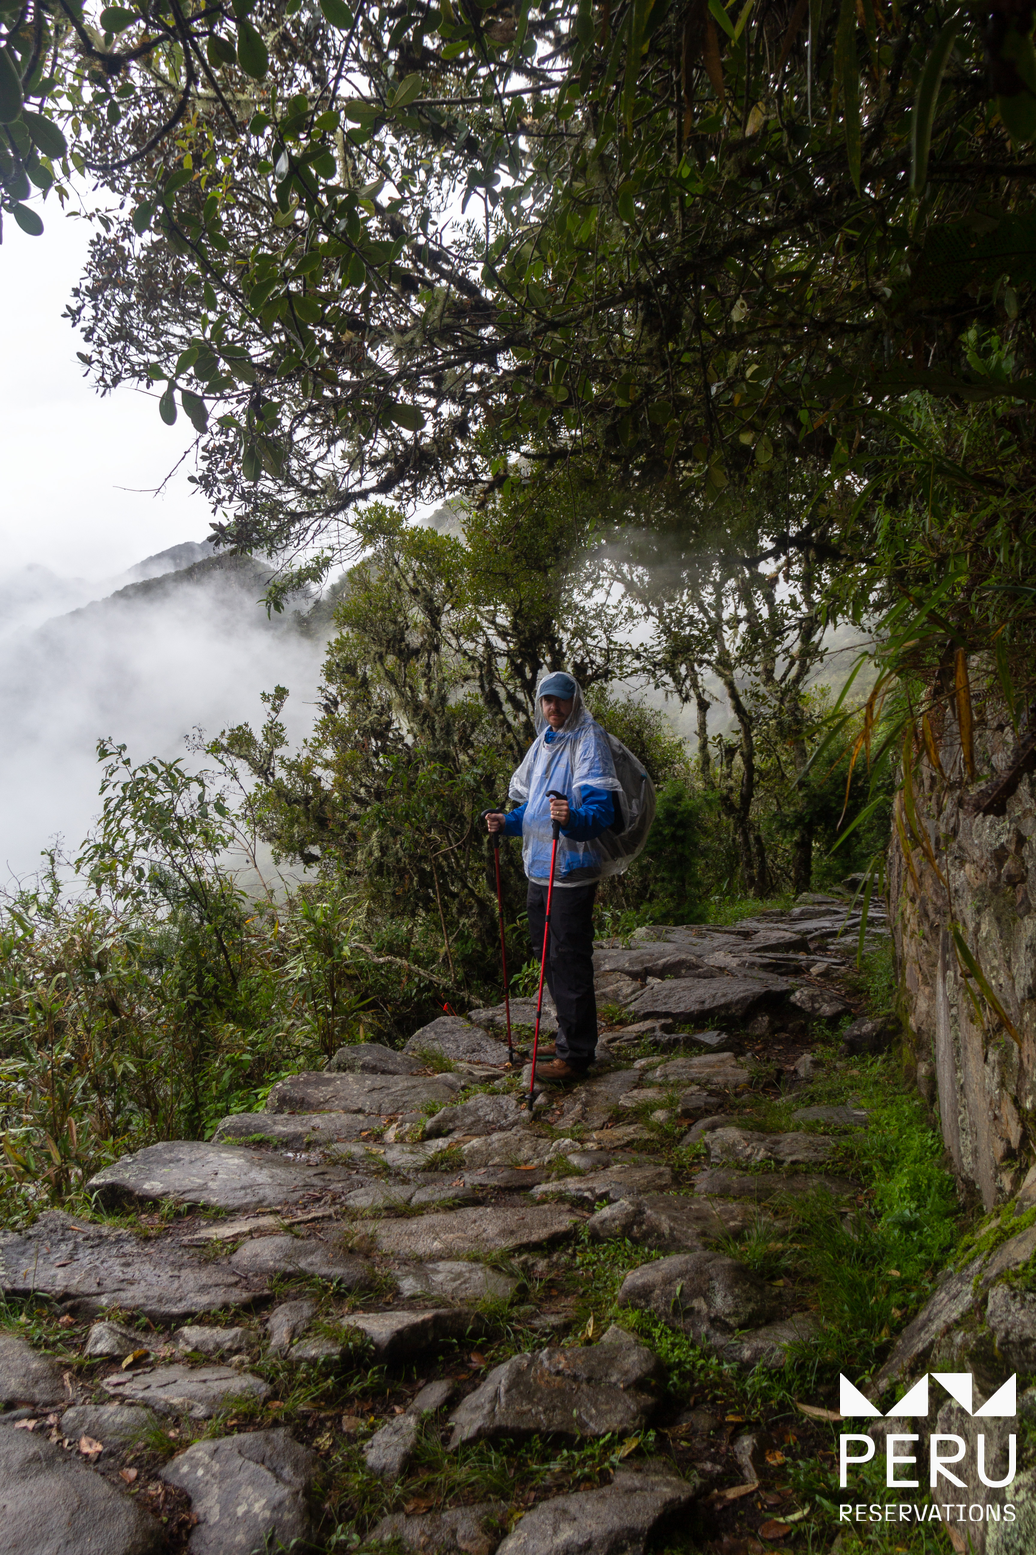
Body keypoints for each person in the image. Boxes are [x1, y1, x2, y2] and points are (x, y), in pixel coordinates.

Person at [485, 670, 622, 1081]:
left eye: (561, 700)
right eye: (547, 701)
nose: (553, 707)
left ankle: (577, 1054)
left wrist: (574, 817)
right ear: (539, 704)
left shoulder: (588, 740)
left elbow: (602, 811)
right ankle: (566, 1037)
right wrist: (504, 822)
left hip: (572, 869)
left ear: (574, 701)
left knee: (569, 957)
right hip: (540, 869)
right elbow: (532, 809)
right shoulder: (544, 742)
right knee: (547, 955)